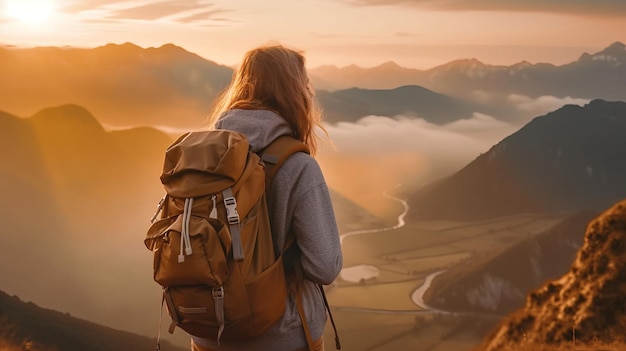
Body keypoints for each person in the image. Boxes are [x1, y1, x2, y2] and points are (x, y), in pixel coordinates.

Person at [190, 44, 343, 351]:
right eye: (305, 85)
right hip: (280, 334)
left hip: (207, 331)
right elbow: (324, 266)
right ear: (294, 93)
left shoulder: (203, 156)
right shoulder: (298, 166)